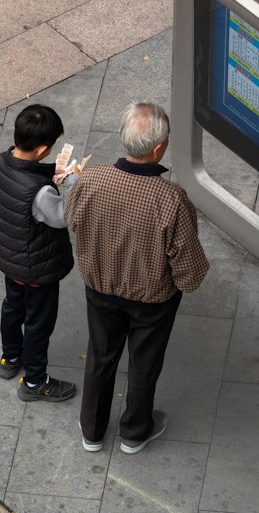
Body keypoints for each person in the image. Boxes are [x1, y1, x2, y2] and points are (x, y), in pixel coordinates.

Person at [63, 101, 208, 453]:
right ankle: (134, 432)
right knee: (144, 362)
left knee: (101, 356)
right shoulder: (171, 199)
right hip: (153, 301)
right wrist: (181, 285)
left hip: (99, 289)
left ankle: (92, 431)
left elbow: (72, 219)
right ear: (159, 148)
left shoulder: (91, 179)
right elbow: (189, 270)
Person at [0, 103, 77, 402]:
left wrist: (52, 173)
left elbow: (24, 180)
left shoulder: (2, 162)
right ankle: (35, 382)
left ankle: (10, 358)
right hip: (37, 268)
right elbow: (61, 217)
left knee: (13, 308)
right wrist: (73, 184)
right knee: (39, 322)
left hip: (11, 260)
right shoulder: (40, 193)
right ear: (41, 149)